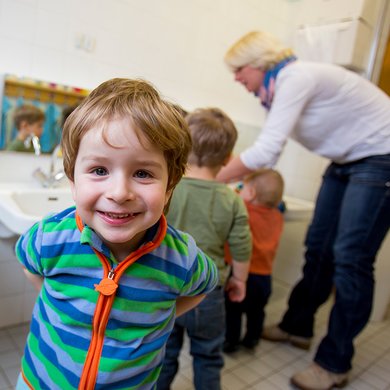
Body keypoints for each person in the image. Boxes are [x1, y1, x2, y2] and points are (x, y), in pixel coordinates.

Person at [14, 78, 219, 390]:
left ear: (169, 187)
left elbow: (204, 286)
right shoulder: (48, 238)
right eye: (99, 170)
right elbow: (31, 266)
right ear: (72, 179)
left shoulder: (182, 258)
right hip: (41, 382)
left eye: (142, 173)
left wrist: (162, 313)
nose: (119, 192)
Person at [217, 30, 390, 390]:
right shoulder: (278, 89)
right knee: (319, 247)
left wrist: (210, 178)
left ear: (258, 63)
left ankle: (334, 362)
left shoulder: (295, 76)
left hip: (381, 156)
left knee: (351, 258)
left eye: (239, 70)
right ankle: (297, 325)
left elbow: (266, 152)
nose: (236, 78)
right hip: (346, 161)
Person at [157, 107, 252, 390]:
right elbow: (242, 246)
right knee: (208, 355)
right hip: (208, 292)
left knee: (162, 355)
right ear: (227, 158)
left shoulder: (167, 188)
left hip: (166, 286)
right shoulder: (232, 200)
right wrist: (240, 279)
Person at [224, 168, 284, 353]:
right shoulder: (278, 216)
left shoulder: (244, 211)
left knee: (233, 311)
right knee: (257, 312)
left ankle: (231, 342)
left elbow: (231, 201)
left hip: (243, 274)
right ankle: (252, 339)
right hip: (265, 277)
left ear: (251, 193)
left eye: (243, 187)